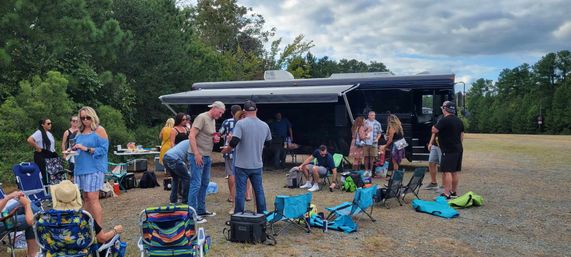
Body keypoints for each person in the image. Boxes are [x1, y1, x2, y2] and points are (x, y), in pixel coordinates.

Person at [221, 100, 271, 214]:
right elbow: (268, 143)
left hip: (242, 165)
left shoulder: (241, 124)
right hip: (257, 164)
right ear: (256, 110)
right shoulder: (264, 125)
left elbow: (234, 142)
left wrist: (226, 150)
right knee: (259, 191)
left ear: (244, 111)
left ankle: (239, 215)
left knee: (240, 191)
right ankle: (262, 214)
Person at [50, 180, 123, 254]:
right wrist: (115, 230)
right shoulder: (85, 218)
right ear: (76, 197)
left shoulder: (46, 219)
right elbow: (102, 238)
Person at [188, 101, 225, 223]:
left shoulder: (213, 120)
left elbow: (207, 135)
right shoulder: (202, 117)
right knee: (196, 184)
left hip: (207, 156)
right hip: (197, 156)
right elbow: (192, 135)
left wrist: (215, 138)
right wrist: (196, 154)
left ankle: (201, 209)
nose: (220, 115)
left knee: (205, 183)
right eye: (220, 113)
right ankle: (191, 214)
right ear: (214, 108)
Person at [72, 106, 109, 226]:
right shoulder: (79, 132)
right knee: (86, 197)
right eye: (82, 118)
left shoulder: (99, 130)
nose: (85, 120)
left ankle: (99, 229)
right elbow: (76, 148)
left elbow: (103, 149)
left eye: (88, 117)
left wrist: (86, 148)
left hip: (94, 168)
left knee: (93, 198)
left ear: (93, 117)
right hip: (80, 168)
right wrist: (70, 151)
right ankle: (87, 226)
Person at [432, 101, 464, 199]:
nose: (442, 109)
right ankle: (453, 192)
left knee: (447, 171)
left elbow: (434, 130)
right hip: (458, 148)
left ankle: (446, 193)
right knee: (454, 171)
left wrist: (434, 126)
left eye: (442, 107)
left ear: (445, 108)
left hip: (448, 149)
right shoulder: (459, 120)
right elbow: (461, 135)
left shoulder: (444, 120)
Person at [0, 190, 38, 257]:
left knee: (28, 206)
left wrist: (15, 196)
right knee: (31, 219)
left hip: (2, 214)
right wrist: (8, 197)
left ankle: (45, 224)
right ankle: (32, 255)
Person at [219, 105, 242, 203]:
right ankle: (247, 195)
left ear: (231, 113)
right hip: (241, 152)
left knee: (231, 173)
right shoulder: (243, 122)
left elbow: (220, 133)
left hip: (229, 150)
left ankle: (232, 197)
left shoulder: (227, 122)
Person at [27, 118, 57, 184]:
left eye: (51, 123)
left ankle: (52, 189)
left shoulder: (49, 134)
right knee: (44, 174)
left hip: (50, 155)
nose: (50, 125)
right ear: (42, 125)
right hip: (42, 155)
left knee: (53, 174)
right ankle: (44, 190)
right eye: (48, 123)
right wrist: (37, 148)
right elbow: (29, 140)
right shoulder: (39, 132)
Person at [163, 139, 191, 204]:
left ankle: (173, 200)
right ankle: (185, 200)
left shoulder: (185, 141)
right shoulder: (192, 143)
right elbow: (189, 160)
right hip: (174, 159)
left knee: (175, 179)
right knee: (187, 178)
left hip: (166, 157)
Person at [426, 116, 443, 190]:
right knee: (431, 162)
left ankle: (444, 185)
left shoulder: (446, 120)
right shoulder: (439, 118)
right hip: (435, 145)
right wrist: (430, 143)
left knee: (443, 166)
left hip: (442, 146)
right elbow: (434, 132)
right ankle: (433, 183)